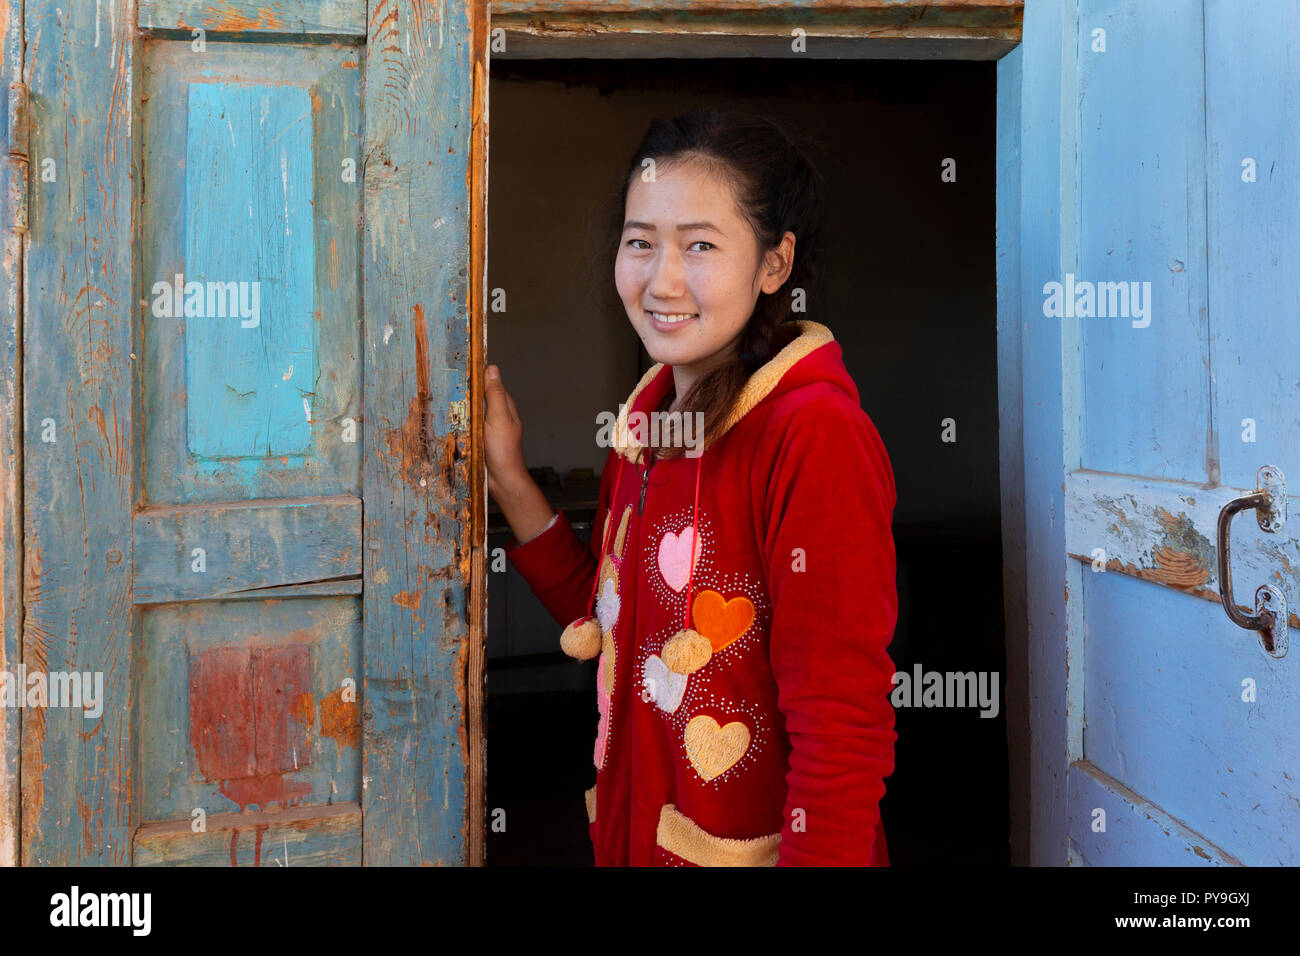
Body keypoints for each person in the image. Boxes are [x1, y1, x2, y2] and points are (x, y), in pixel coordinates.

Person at [484, 107, 898, 866]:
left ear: (774, 265)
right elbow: (609, 616)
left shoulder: (812, 435)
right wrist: (508, 472)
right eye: (640, 242)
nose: (661, 279)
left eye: (700, 245)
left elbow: (841, 725)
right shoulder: (651, 426)